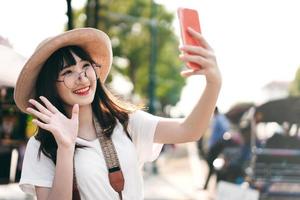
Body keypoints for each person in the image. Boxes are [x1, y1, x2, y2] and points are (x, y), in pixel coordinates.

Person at [14, 27, 221, 200]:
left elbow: (189, 130)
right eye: (67, 72)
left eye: (85, 66)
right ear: (51, 86)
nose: (82, 77)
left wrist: (213, 83)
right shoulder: (42, 145)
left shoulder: (124, 121)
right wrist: (65, 148)